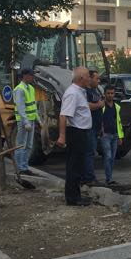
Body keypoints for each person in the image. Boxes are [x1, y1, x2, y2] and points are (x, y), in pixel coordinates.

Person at [56, 66, 92, 206]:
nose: (90, 78)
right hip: (76, 132)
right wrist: (62, 136)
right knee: (74, 166)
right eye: (88, 76)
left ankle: (76, 195)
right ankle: (72, 198)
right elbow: (64, 115)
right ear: (81, 78)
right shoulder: (72, 93)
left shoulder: (80, 92)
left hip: (81, 132)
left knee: (78, 166)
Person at [12, 67, 38, 177]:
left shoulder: (30, 88)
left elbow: (33, 105)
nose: (33, 77)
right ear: (25, 76)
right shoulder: (20, 89)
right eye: (31, 75)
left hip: (31, 120)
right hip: (24, 122)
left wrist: (38, 119)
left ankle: (25, 166)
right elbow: (21, 107)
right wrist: (26, 122)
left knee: (29, 145)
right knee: (21, 145)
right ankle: (20, 168)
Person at [83, 70, 105, 185]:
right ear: (90, 79)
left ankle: (89, 176)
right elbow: (86, 105)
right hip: (89, 127)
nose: (98, 81)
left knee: (91, 152)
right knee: (89, 152)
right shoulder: (85, 91)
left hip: (96, 126)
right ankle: (88, 178)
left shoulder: (95, 91)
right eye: (97, 78)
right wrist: (99, 105)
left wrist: (101, 126)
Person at [100, 84, 123, 185]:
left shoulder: (117, 107)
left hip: (115, 135)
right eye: (108, 93)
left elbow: (119, 122)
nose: (110, 95)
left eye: (112, 93)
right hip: (105, 135)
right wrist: (101, 131)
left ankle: (109, 177)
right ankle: (108, 179)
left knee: (112, 158)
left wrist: (120, 136)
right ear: (105, 94)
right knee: (108, 156)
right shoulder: (101, 106)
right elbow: (99, 119)